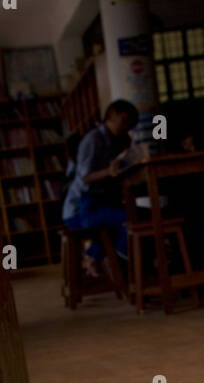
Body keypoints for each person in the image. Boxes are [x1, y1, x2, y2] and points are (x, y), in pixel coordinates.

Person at [62, 100, 143, 274]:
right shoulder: (93, 139)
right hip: (85, 207)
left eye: (131, 123)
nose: (127, 126)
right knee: (127, 220)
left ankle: (97, 257)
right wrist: (109, 171)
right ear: (111, 114)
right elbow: (85, 178)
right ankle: (123, 267)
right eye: (124, 119)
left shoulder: (121, 140)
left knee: (139, 215)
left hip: (105, 201)